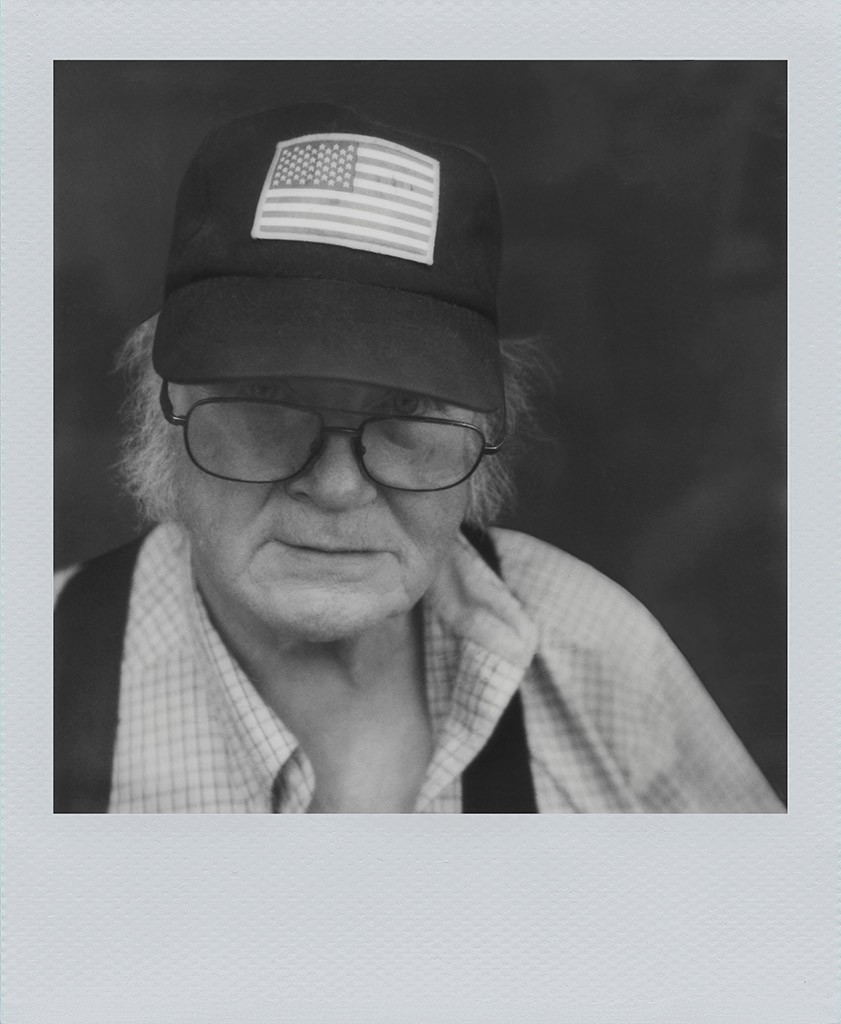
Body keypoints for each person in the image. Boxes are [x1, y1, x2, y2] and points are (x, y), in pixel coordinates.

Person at [54, 103, 783, 814]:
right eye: (266, 404)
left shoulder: (594, 648)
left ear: (485, 436)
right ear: (163, 419)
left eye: (407, 415)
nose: (337, 488)